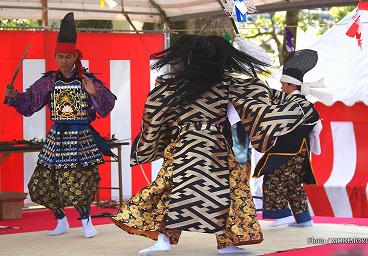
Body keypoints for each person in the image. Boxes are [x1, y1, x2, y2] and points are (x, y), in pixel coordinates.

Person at [110, 35, 316, 255]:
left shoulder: (179, 85)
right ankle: (223, 241)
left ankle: (167, 239)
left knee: (171, 189)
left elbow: (156, 111)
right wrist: (295, 102)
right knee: (231, 188)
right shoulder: (223, 83)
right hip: (212, 145)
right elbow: (262, 101)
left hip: (186, 146)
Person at [3, 12, 116, 237]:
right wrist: (14, 96)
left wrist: (93, 93)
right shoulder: (48, 82)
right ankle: (61, 220)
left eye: (68, 56)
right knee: (41, 183)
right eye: (61, 56)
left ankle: (86, 223)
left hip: (81, 138)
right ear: (55, 57)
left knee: (77, 181)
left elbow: (108, 104)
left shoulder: (87, 80)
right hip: (56, 138)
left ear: (76, 56)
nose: (64, 60)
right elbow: (29, 104)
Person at [255, 49, 322, 227]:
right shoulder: (301, 102)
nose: (282, 87)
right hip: (300, 150)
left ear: (292, 86)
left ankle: (282, 213)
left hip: (288, 150)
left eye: (284, 84)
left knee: (273, 177)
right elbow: (317, 127)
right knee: (293, 183)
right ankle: (303, 218)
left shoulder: (299, 104)